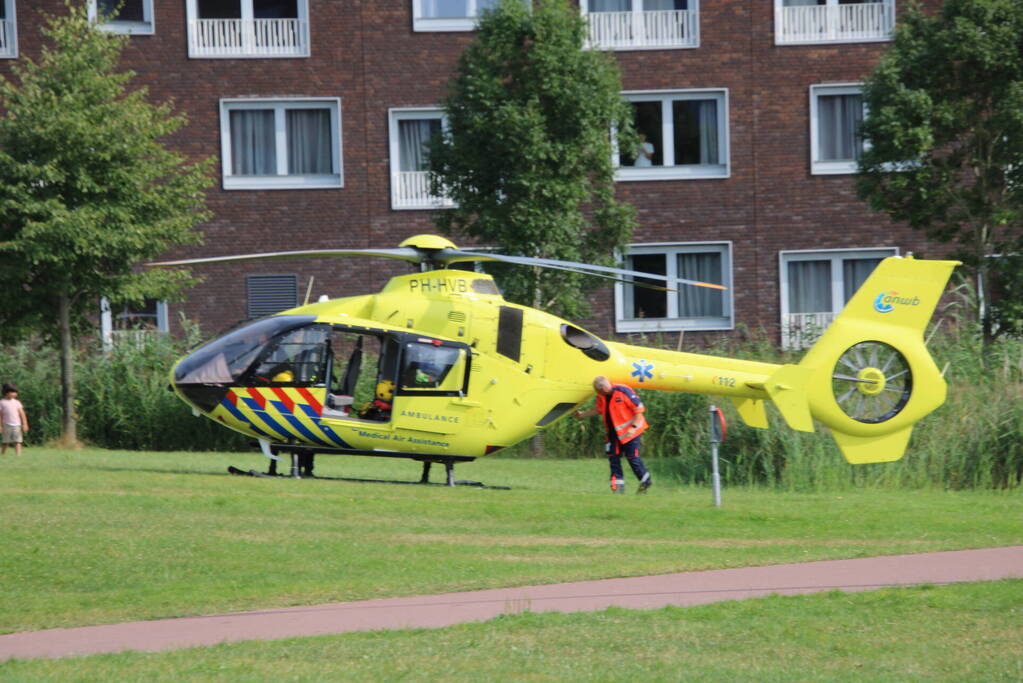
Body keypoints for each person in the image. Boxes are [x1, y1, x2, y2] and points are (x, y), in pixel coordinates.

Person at [574, 376, 651, 494]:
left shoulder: (623, 391)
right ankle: (618, 489)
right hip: (612, 433)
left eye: (599, 391)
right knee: (613, 458)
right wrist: (582, 414)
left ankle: (645, 481)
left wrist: (633, 428)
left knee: (632, 458)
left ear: (604, 389)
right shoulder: (601, 395)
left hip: (631, 432)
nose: (598, 394)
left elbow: (639, 411)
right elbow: (599, 409)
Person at [1, 382, 29, 457]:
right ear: (6, 392)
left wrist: (25, 424)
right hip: (6, 425)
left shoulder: (17, 402)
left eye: (15, 392)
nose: (15, 394)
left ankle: (18, 455)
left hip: (17, 425)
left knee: (18, 441)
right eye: (13, 392)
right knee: (5, 441)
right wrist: (0, 426)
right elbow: (0, 415)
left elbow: (22, 414)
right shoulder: (2, 402)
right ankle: (3, 454)